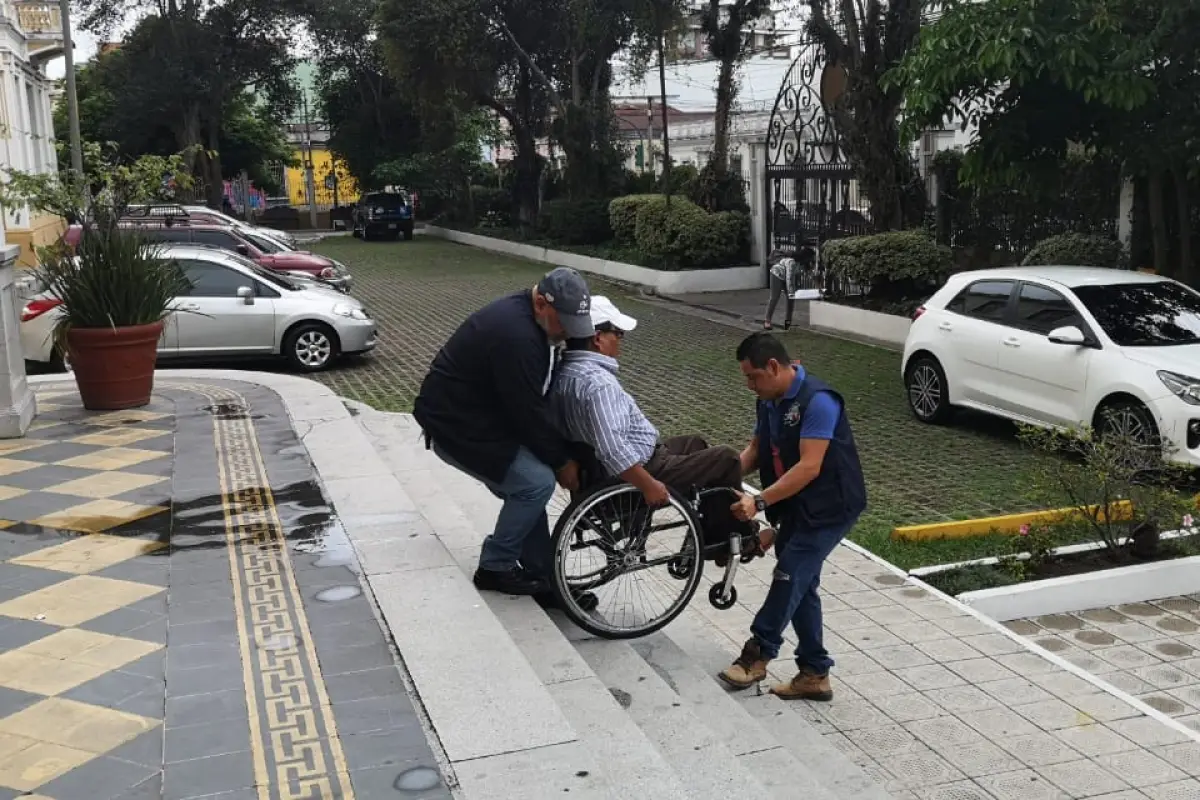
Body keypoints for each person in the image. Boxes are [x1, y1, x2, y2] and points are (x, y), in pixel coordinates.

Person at [413, 267, 594, 597]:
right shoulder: (517, 337)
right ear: (541, 303)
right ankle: (495, 567)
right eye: (564, 324)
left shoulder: (530, 319)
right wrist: (562, 462)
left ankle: (543, 573)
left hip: (479, 417)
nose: (568, 333)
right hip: (457, 427)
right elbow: (527, 413)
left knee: (530, 486)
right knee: (535, 484)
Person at [550, 295, 773, 560]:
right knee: (725, 459)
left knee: (695, 444)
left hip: (603, 470)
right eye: (618, 334)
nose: (621, 340)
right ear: (598, 338)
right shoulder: (598, 385)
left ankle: (710, 530)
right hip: (637, 472)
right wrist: (649, 485)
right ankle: (738, 539)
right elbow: (613, 450)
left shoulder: (566, 372)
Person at [718, 332, 867, 701]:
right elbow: (755, 451)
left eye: (753, 377)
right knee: (801, 582)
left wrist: (760, 502)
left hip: (832, 506)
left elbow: (809, 467)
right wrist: (717, 476)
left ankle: (758, 654)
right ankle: (814, 672)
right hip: (798, 505)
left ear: (773, 366)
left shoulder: (819, 401)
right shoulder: (768, 401)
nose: (750, 386)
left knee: (790, 573)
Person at [763, 248, 797, 331]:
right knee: (774, 297)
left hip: (785, 276)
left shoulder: (803, 265)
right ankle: (767, 321)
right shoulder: (791, 262)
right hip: (776, 274)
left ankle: (788, 324)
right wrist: (791, 291)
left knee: (791, 300)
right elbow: (789, 277)